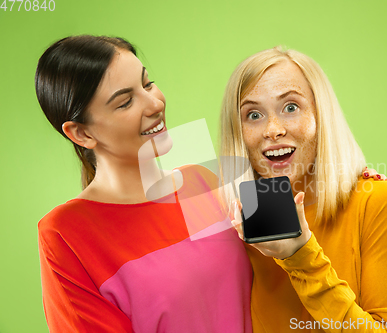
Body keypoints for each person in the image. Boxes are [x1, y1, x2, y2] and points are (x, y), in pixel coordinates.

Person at [35, 35, 252, 332]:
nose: (154, 103)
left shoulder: (200, 180)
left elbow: (272, 280)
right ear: (82, 134)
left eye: (148, 84)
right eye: (125, 103)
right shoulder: (66, 233)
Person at [219, 46, 387, 332]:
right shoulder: (237, 217)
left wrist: (300, 255)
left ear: (322, 117)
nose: (273, 129)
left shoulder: (380, 202)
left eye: (291, 107)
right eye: (253, 115)